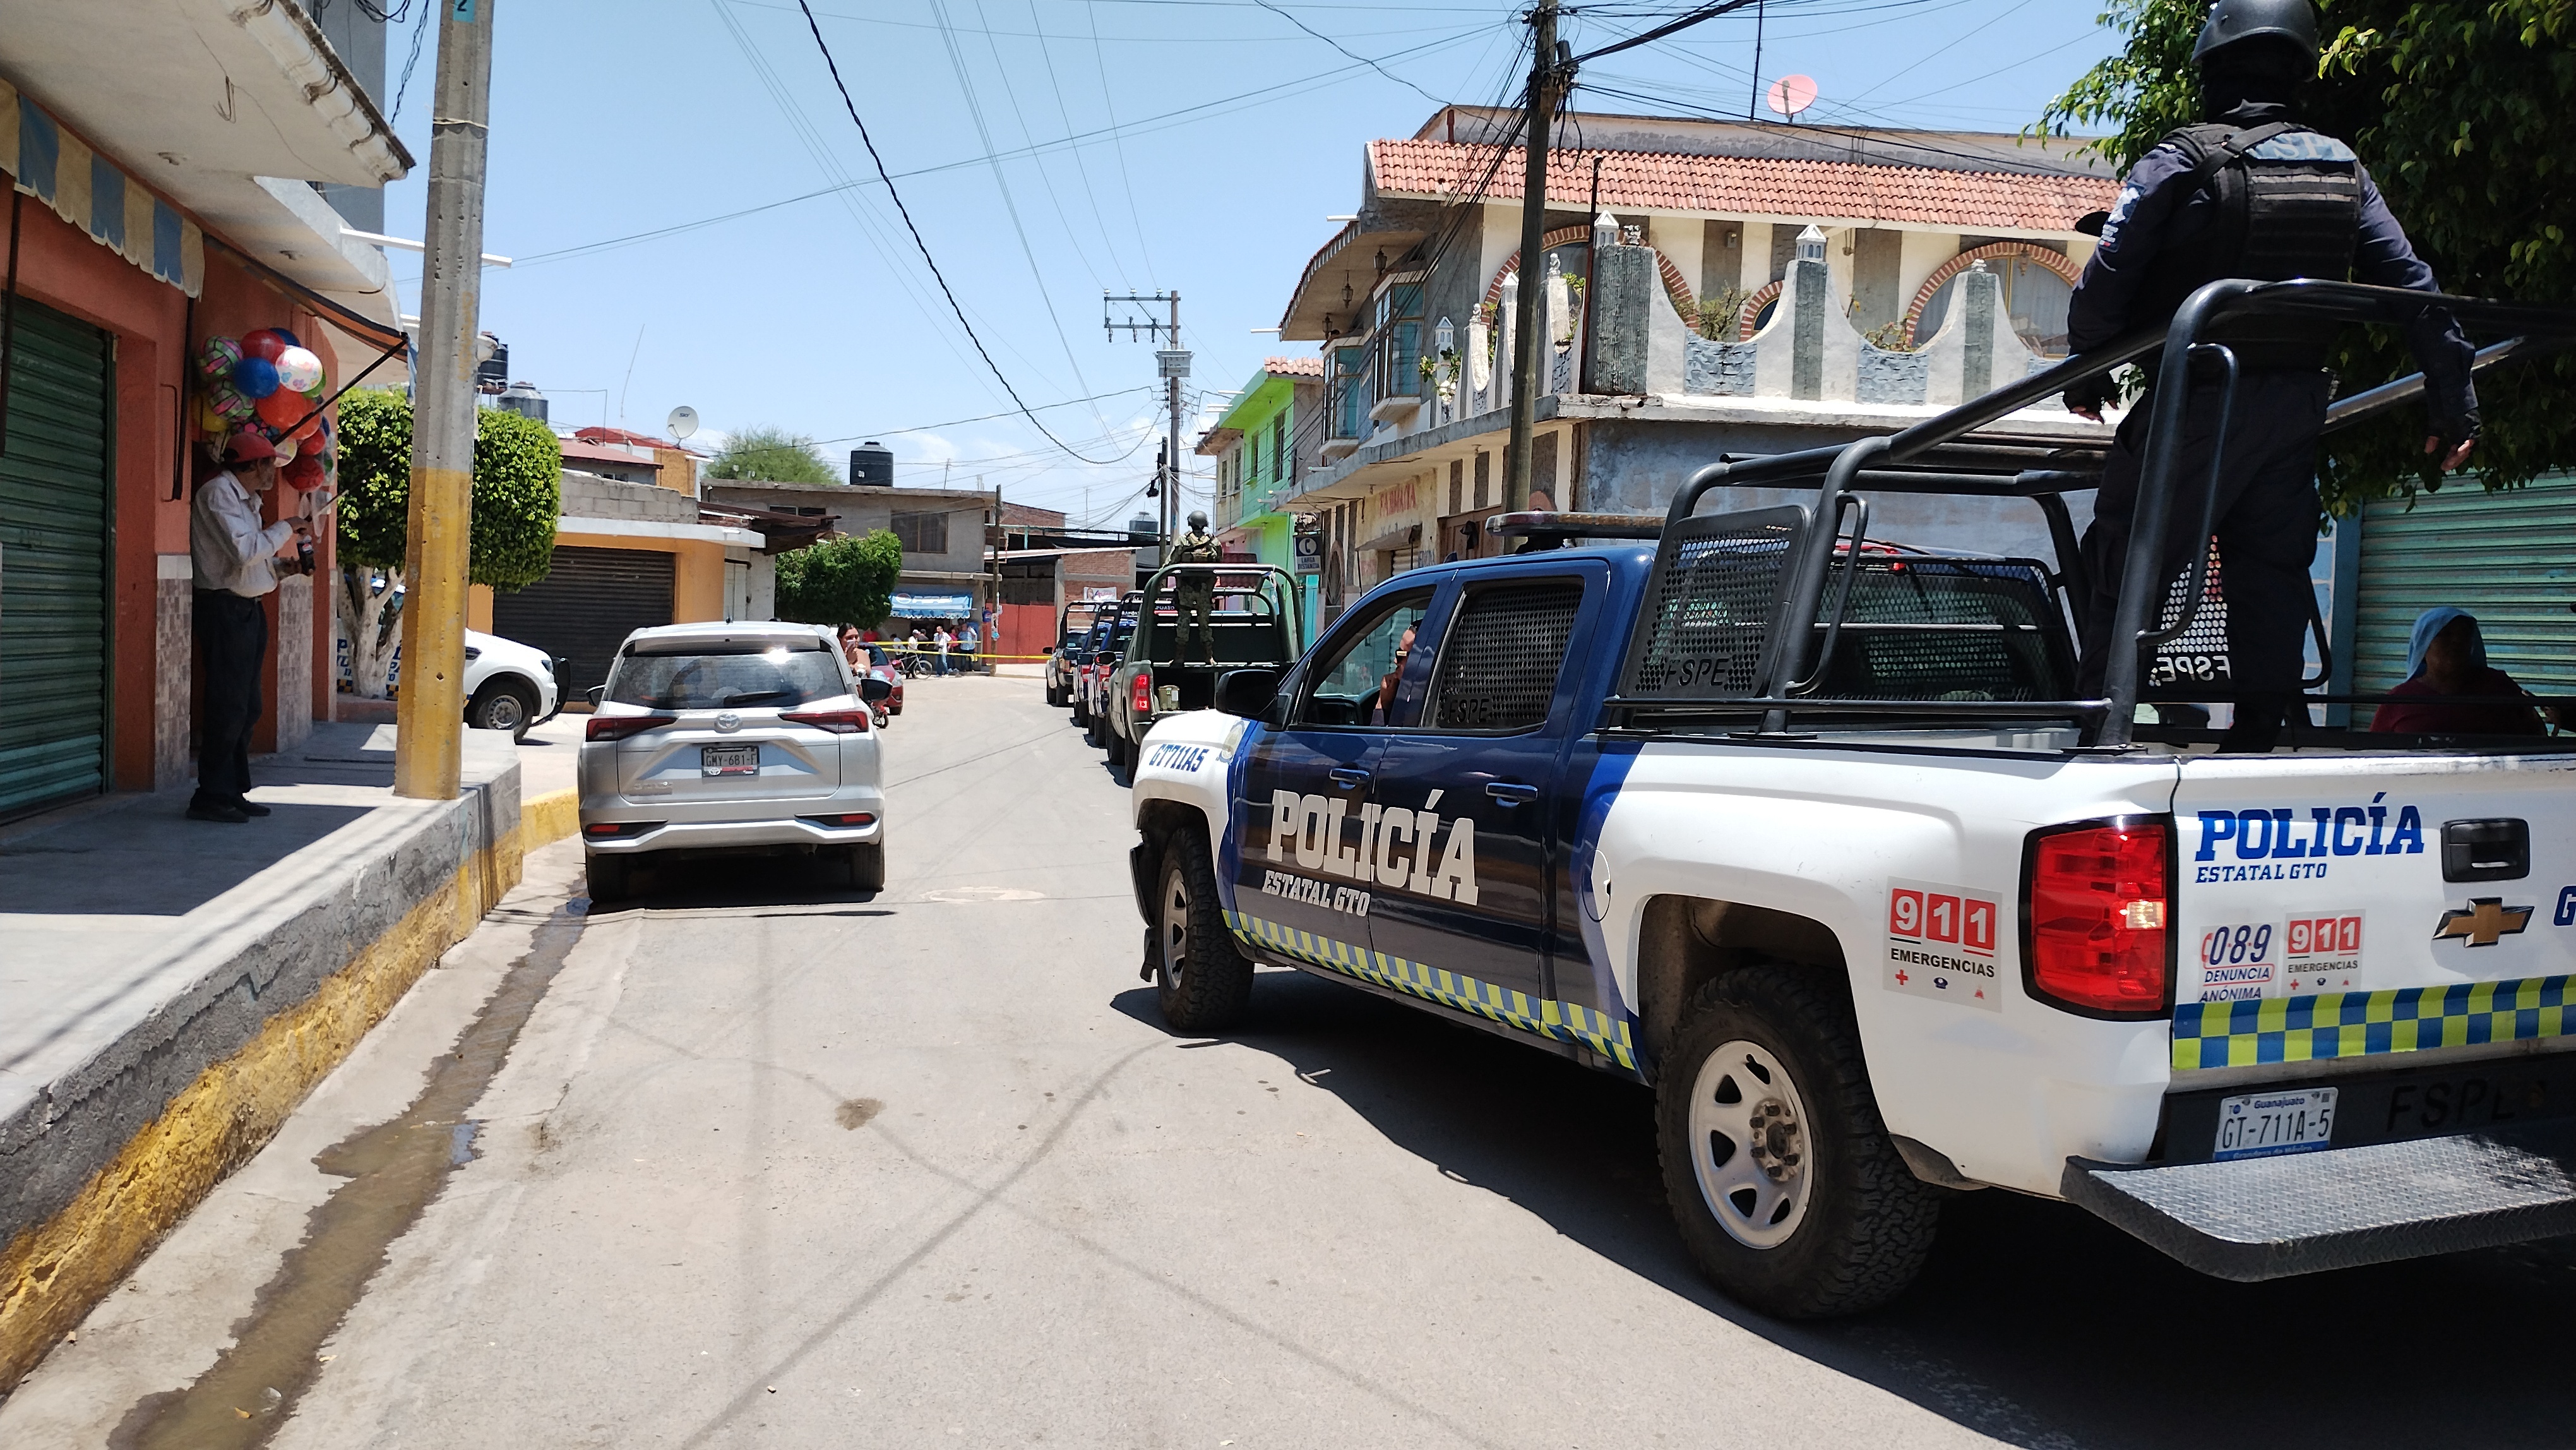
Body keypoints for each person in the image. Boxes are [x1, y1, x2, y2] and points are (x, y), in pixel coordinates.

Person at [2062, 0, 2479, 753]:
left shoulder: (2184, 156)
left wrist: (2086, 370)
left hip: (2197, 399)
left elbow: (2106, 278)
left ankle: (2101, 729)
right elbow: (2414, 287)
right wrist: (2454, 400)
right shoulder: (2342, 166)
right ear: (2299, 67)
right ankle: (2261, 737)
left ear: (2214, 64)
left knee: (2129, 564)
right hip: (2293, 407)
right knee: (2272, 580)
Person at [188, 433, 309, 824]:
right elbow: (242, 551)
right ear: (253, 465)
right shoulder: (218, 493)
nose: (273, 473)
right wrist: (286, 527)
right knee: (228, 704)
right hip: (224, 610)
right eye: (268, 465)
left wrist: (279, 569)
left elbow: (247, 562)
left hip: (247, 609)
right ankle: (210, 795)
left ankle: (232, 789)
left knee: (248, 706)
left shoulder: (246, 501)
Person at [2370, 608, 2550, 736]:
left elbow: (2536, 733)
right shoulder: (2399, 701)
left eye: (2464, 635)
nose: (2456, 641)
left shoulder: (2499, 686)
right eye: (2445, 635)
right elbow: (2372, 755)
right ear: (2424, 646)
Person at [1172, 509, 1223, 663]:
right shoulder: (1214, 542)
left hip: (1186, 592)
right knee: (1205, 624)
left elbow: (1171, 562)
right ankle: (1209, 657)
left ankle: (1180, 657)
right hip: (1204, 591)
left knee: (1183, 622)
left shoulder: (1183, 541)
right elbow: (1219, 563)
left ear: (1191, 523)